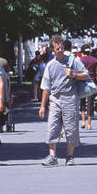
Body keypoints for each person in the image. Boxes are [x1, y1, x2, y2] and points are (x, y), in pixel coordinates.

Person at [38, 35, 89, 166]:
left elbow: (85, 75)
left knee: (71, 129)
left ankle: (69, 156)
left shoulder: (74, 61)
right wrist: (43, 106)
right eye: (57, 48)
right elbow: (45, 87)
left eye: (61, 47)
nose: (60, 50)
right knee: (52, 128)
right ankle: (52, 156)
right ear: (53, 50)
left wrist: (74, 74)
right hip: (55, 99)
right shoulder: (50, 65)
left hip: (70, 98)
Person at [79, 44, 97, 130]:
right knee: (90, 103)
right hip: (92, 83)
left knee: (82, 103)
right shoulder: (94, 60)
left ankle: (83, 121)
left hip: (82, 82)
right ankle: (89, 123)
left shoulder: (80, 60)